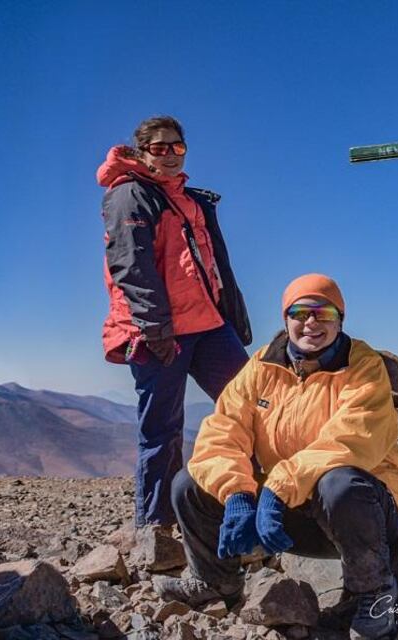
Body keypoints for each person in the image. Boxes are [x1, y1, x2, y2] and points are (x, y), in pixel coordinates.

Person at [153, 273, 398, 640]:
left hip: (362, 510)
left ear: (340, 320)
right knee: (190, 483)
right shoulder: (262, 367)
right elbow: (224, 430)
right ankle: (215, 581)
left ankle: (373, 591)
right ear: (286, 318)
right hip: (286, 511)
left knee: (339, 482)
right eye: (300, 313)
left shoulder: (363, 366)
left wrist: (277, 488)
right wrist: (238, 494)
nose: (311, 323)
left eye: (324, 313)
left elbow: (351, 439)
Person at [98, 116, 253, 531]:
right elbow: (131, 266)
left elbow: (211, 265)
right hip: (159, 332)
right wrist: (155, 329)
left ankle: (259, 501)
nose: (169, 154)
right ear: (142, 152)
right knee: (162, 431)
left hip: (209, 325)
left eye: (177, 147)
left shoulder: (187, 199)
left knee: (253, 404)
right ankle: (157, 529)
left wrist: (231, 316)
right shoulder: (130, 194)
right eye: (159, 147)